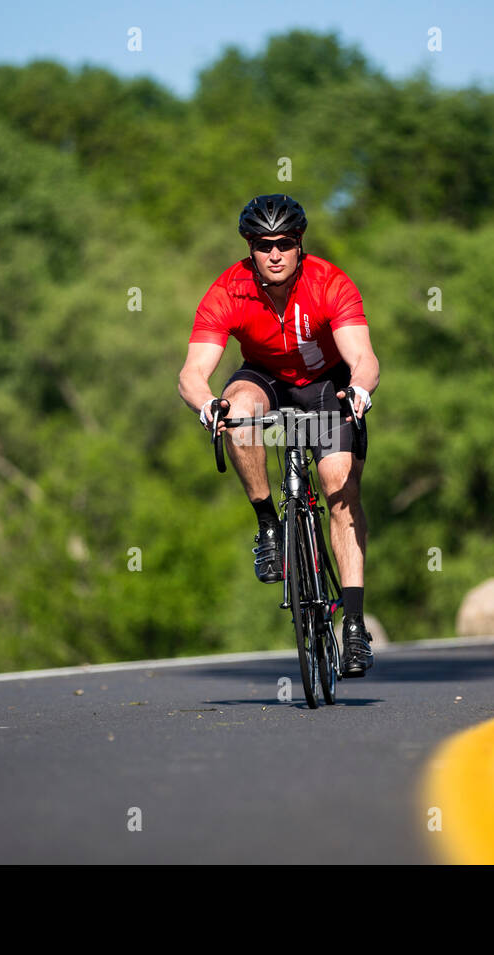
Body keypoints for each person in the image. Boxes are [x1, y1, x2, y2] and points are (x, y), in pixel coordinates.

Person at [177, 195, 381, 676]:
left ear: (299, 244)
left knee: (339, 485)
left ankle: (352, 627)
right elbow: (192, 372)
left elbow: (363, 357)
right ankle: (268, 523)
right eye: (264, 244)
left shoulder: (330, 283)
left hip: (328, 384)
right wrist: (207, 405)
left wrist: (360, 391)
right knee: (237, 408)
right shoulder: (228, 290)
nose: (274, 254)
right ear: (249, 247)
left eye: (285, 243)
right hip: (265, 377)